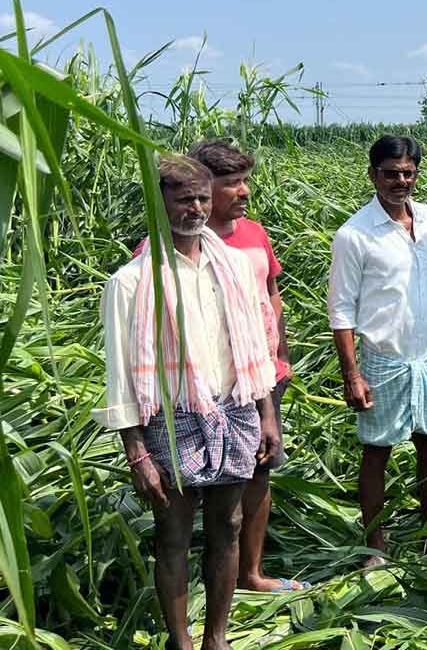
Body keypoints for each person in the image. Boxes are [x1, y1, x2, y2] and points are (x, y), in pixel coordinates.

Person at [97, 155, 279, 650]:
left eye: (201, 197)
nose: (195, 208)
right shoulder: (132, 281)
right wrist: (137, 454)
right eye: (183, 199)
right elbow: (120, 378)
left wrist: (266, 415)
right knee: (174, 534)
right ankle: (180, 641)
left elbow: (255, 348)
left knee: (229, 525)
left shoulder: (235, 266)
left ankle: (216, 640)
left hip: (235, 408)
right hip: (169, 419)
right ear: (161, 205)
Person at [134, 139, 299, 592]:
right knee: (189, 501)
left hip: (256, 379)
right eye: (231, 184)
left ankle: (251, 571)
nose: (243, 192)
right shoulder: (158, 253)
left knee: (258, 472)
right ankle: (194, 596)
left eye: (244, 181)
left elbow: (271, 295)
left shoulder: (254, 235)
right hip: (191, 392)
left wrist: (279, 355)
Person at [327, 135, 427, 564]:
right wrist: (352, 373)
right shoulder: (355, 235)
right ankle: (374, 543)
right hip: (383, 358)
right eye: (390, 173)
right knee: (377, 450)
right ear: (373, 175)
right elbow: (341, 310)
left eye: (407, 173)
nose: (400, 181)